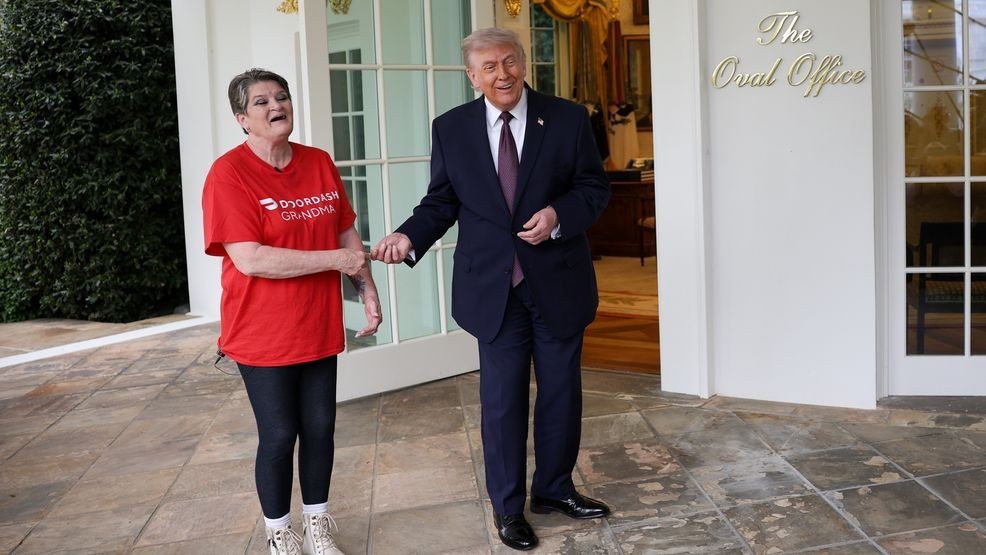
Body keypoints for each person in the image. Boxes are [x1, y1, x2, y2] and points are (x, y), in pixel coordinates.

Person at [372, 28, 612, 551]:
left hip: (559, 282)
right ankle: (508, 508)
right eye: (488, 67)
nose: (501, 74)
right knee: (502, 402)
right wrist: (407, 236)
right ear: (471, 75)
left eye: (509, 62)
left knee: (561, 395)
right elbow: (441, 201)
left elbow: (594, 188)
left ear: (523, 63)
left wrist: (557, 216)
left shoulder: (567, 118)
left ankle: (554, 490)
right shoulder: (451, 129)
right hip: (493, 290)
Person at [202, 68, 381, 555]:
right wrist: (337, 262)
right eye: (260, 102)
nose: (275, 105)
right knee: (280, 435)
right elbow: (251, 258)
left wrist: (365, 285)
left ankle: (318, 527)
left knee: (321, 428)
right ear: (242, 118)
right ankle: (280, 533)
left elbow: (344, 230)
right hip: (261, 330)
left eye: (281, 96)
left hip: (318, 322)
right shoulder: (228, 173)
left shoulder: (318, 161)